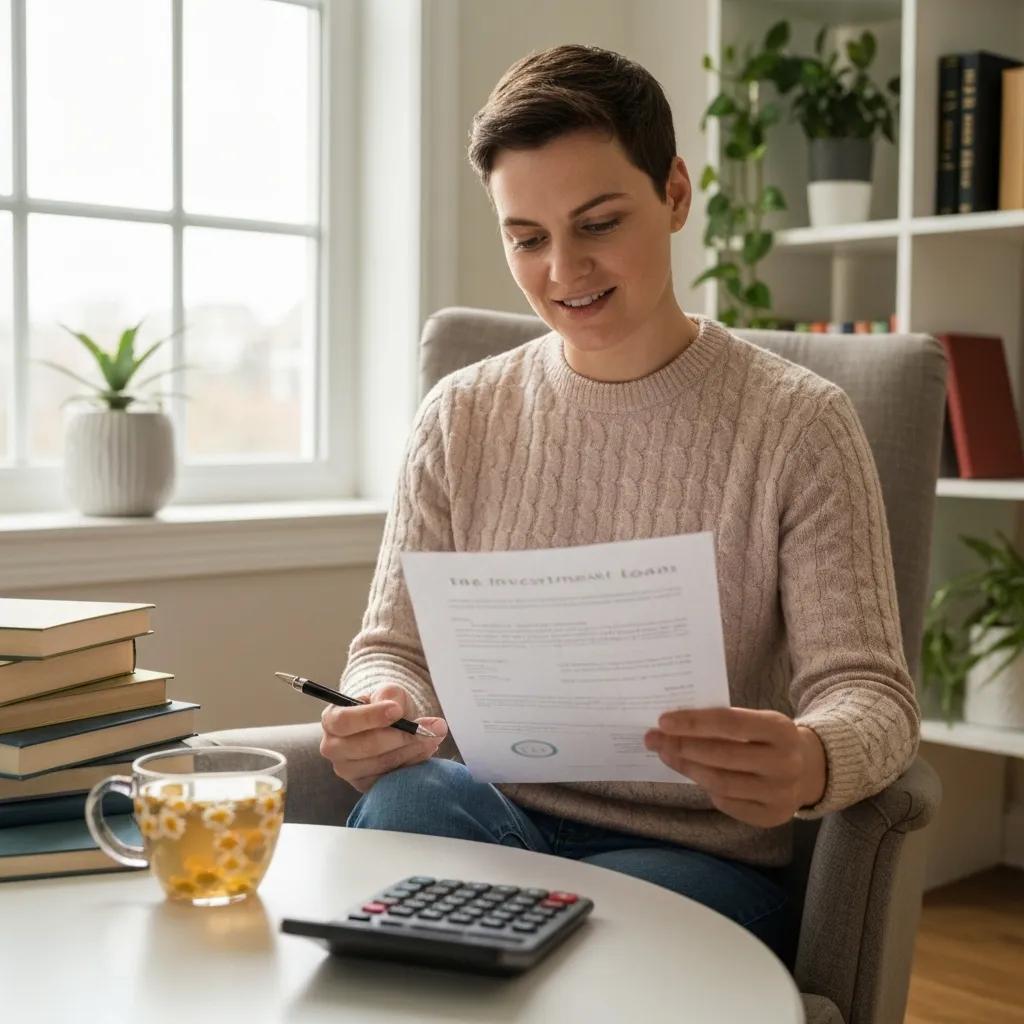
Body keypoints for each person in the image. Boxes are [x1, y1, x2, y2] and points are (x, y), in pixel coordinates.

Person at [319, 44, 919, 964]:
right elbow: (391, 646)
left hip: (693, 859)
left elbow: (869, 691)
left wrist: (813, 758)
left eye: (598, 223)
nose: (564, 269)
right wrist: (380, 705)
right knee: (404, 804)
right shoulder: (461, 416)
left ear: (675, 194)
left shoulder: (800, 425)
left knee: (587, 957)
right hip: (487, 812)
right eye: (527, 238)